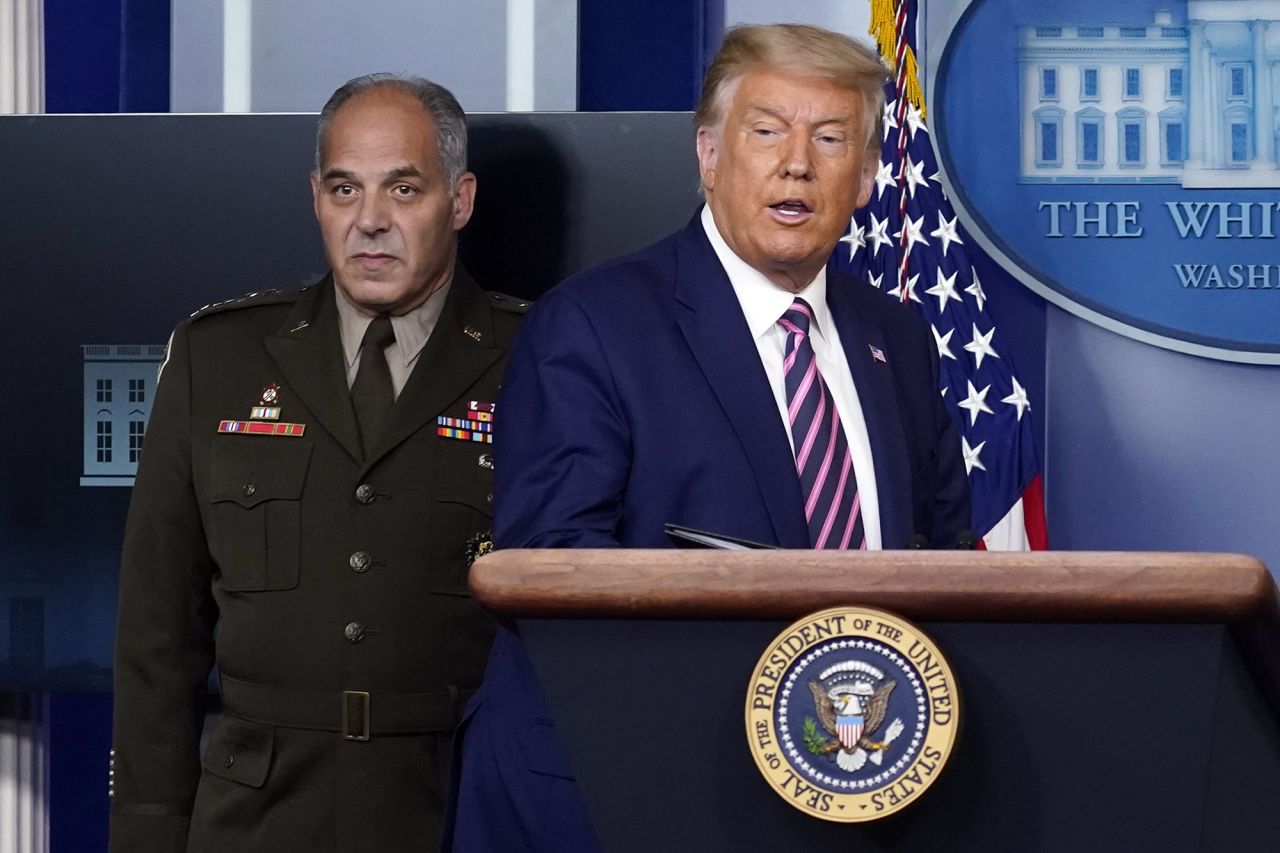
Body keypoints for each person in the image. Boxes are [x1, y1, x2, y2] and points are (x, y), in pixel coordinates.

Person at [446, 23, 969, 851]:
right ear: (709, 154)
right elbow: (552, 569)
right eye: (766, 131)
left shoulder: (896, 338)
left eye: (830, 138)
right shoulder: (593, 324)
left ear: (866, 175)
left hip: (843, 788)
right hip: (625, 785)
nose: (796, 162)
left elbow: (943, 557)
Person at [110, 73, 527, 852]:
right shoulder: (218, 357)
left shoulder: (536, 357)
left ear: (460, 201)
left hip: (454, 807)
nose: (370, 221)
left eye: (403, 189)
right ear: (315, 198)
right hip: (256, 816)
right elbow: (157, 640)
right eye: (345, 190)